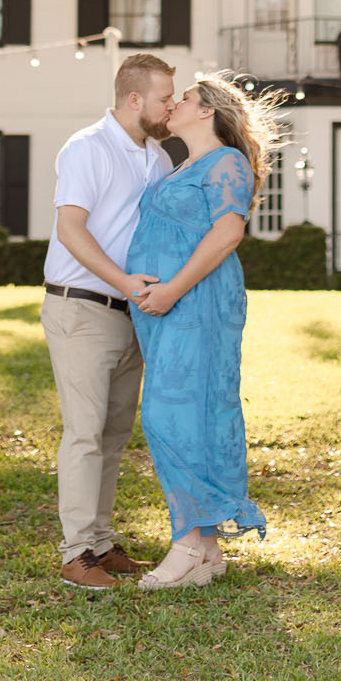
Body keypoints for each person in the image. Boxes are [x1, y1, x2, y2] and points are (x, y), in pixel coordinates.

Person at [127, 71, 282, 589]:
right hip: (165, 308)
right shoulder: (182, 166)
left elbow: (228, 232)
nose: (172, 104)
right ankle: (208, 551)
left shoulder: (226, 163)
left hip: (199, 303)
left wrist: (171, 289)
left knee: (172, 417)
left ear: (207, 111)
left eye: (184, 98)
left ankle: (191, 542)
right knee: (180, 415)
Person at [41, 52, 176, 590]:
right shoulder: (87, 148)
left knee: (115, 433)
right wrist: (125, 283)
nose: (172, 106)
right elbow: (71, 229)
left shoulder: (158, 158)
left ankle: (98, 542)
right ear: (135, 98)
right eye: (166, 97)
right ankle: (76, 554)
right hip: (82, 307)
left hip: (132, 315)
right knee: (84, 433)